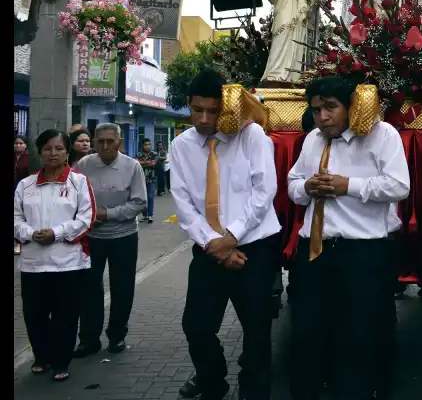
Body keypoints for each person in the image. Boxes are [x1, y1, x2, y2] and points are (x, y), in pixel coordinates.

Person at [287, 75, 410, 400]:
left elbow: (399, 186)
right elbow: (293, 183)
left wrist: (348, 186)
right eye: (316, 110)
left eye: (330, 108)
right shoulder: (313, 139)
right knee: (309, 331)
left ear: (351, 106)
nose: (323, 117)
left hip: (364, 253)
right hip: (314, 251)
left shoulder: (382, 135)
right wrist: (306, 188)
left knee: (359, 336)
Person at [171, 70, 281, 400]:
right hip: (208, 250)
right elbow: (183, 203)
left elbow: (265, 192)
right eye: (197, 110)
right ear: (188, 105)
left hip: (256, 249)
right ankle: (212, 380)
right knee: (197, 327)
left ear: (227, 108)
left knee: (257, 330)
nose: (204, 119)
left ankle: (254, 388)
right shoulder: (181, 145)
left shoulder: (253, 136)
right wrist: (214, 245)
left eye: (213, 111)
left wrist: (231, 237)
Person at [15, 129, 94, 382]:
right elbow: (16, 218)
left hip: (68, 263)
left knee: (65, 316)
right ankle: (41, 356)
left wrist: (57, 233)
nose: (53, 153)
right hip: (33, 264)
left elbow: (86, 218)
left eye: (59, 148)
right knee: (34, 315)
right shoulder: (25, 185)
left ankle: (61, 361)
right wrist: (29, 233)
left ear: (67, 152)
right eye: (48, 148)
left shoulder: (78, 182)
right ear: (39, 152)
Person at [73, 123, 147, 358]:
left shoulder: (132, 166)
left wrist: (106, 213)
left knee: (122, 288)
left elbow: (139, 202)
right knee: (88, 289)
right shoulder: (84, 165)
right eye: (100, 141)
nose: (105, 146)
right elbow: (76, 197)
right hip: (92, 238)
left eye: (110, 141)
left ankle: (117, 336)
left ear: (119, 142)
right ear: (94, 142)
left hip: (123, 237)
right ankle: (89, 339)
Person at [136, 139, 158, 223]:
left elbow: (153, 163)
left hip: (151, 179)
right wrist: (148, 162)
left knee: (150, 197)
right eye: (146, 144)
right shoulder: (139, 154)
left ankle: (150, 215)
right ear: (142, 145)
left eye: (149, 144)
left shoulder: (154, 154)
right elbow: (137, 163)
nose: (148, 146)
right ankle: (145, 215)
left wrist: (143, 162)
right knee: (142, 198)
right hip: (141, 179)